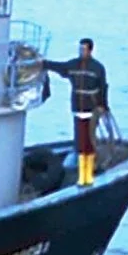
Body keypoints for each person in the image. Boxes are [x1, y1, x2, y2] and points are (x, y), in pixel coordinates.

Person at [41, 38, 109, 186]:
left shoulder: (97, 68)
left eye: (84, 49)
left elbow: (103, 88)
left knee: (89, 143)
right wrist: (43, 64)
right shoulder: (73, 65)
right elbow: (60, 67)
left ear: (90, 50)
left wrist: (103, 106)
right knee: (81, 142)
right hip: (77, 110)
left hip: (91, 112)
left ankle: (88, 175)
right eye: (80, 49)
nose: (81, 52)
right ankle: (82, 176)